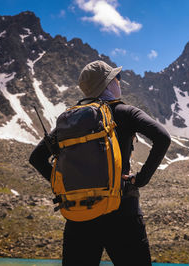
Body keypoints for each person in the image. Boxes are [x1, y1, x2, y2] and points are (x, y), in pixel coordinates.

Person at [29, 60, 171, 266]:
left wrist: (64, 188)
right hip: (122, 212)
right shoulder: (125, 112)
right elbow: (162, 137)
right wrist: (140, 180)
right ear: (108, 84)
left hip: (79, 214)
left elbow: (36, 158)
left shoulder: (71, 121)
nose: (119, 82)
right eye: (117, 78)